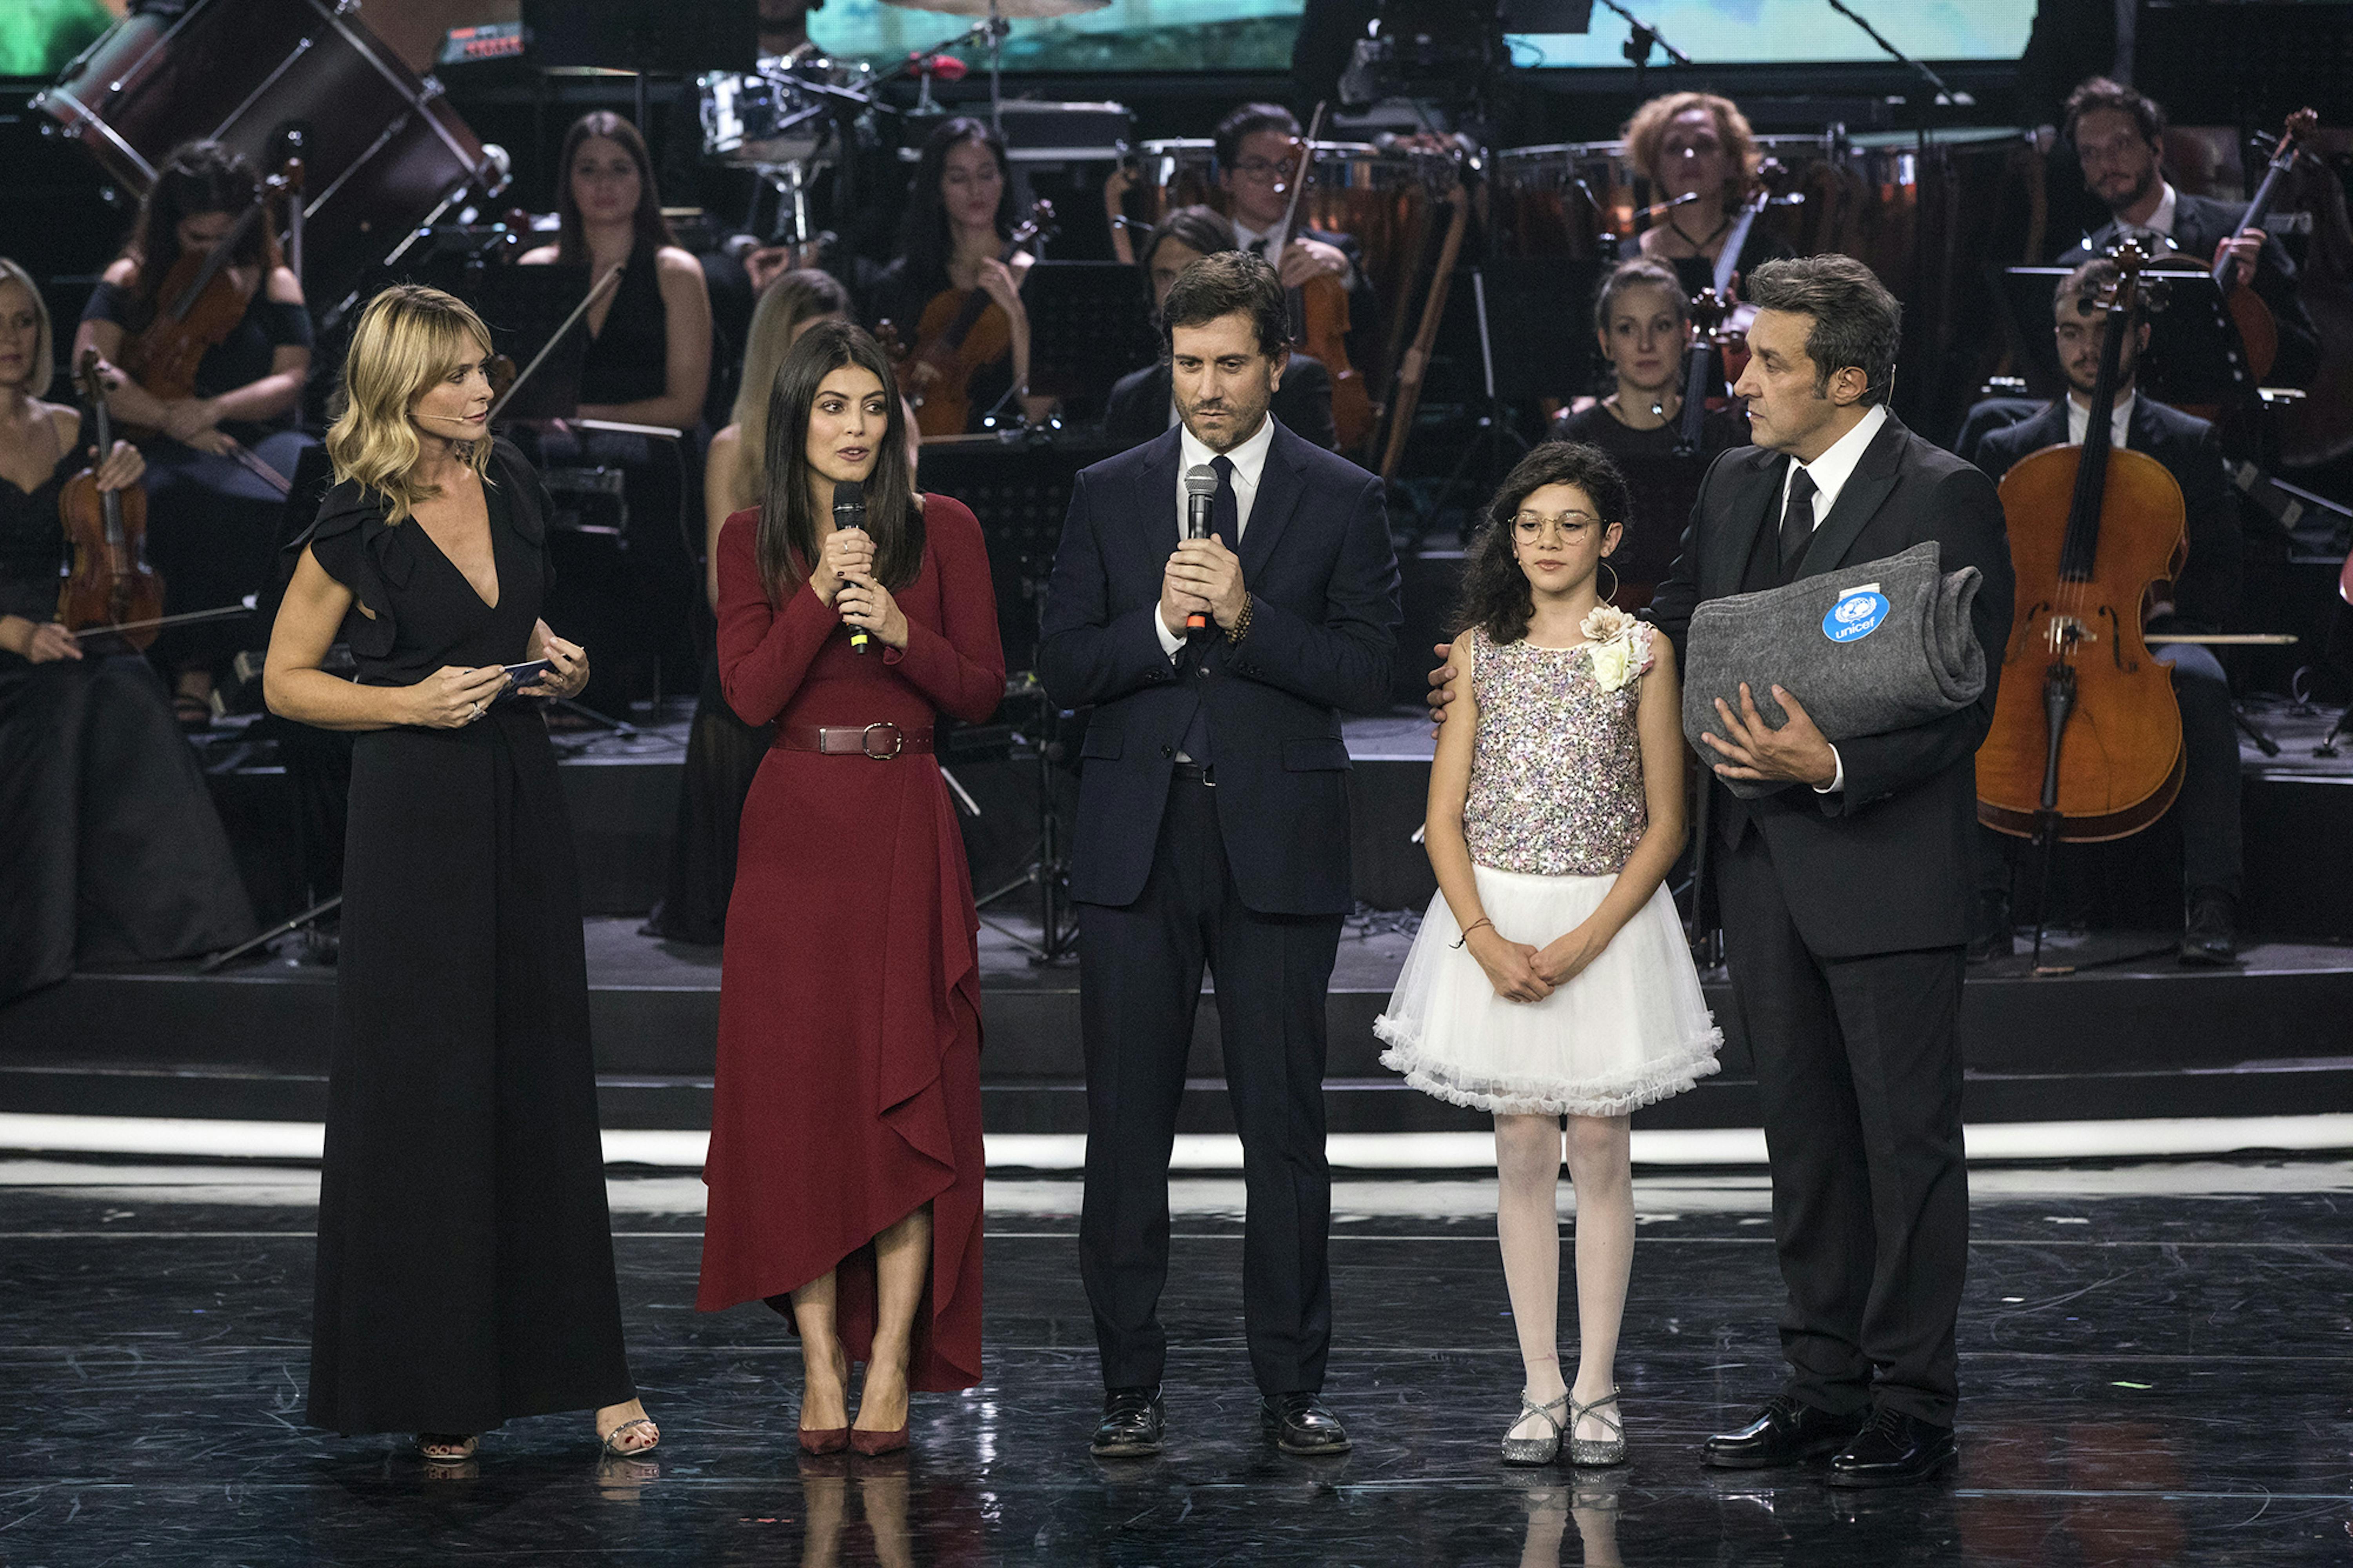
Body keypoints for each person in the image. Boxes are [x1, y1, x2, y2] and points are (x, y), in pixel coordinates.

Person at [1430, 255, 2014, 1486]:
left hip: (1887, 867)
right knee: (1802, 1141)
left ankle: (1908, 1399)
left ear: (1843, 379)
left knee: (1901, 1142)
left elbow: (1963, 698)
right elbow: (1671, 631)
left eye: (1770, 362)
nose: (1739, 380)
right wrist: (1517, 664)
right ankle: (1820, 1384)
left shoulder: (1945, 493)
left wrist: (1832, 762)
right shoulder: (1740, 478)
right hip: (1761, 872)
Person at [264, 284, 655, 1464]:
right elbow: (286, 680)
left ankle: (589, 1372)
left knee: (538, 1070)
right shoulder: (356, 517)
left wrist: (562, 666)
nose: (485, 389)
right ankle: (439, 1382)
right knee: (430, 1089)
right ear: (400, 387)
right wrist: (402, 702)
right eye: (458, 377)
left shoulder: (513, 483)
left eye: (485, 369)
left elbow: (526, 638)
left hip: (518, 796)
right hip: (412, 814)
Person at [1038, 251, 1400, 1459]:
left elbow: (1366, 673)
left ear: (1275, 365)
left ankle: (1290, 1387)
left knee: (1283, 1130)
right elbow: (1067, 668)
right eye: (1187, 364)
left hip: (1274, 848)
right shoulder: (1109, 489)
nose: (1205, 386)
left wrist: (1249, 623)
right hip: (1135, 846)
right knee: (1124, 1128)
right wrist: (1154, 624)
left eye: (1229, 364)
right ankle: (1126, 1388)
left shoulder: (1341, 496)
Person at [1376, 441, 1720, 1468]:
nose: (1548, 541)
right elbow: (1443, 819)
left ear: (1610, 537)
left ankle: (1600, 1382)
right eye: (1530, 523)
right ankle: (1539, 1383)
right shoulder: (1479, 652)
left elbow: (1666, 822)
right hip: (1496, 919)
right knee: (1523, 1142)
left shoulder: (1639, 649)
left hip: (1604, 919)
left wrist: (1584, 935)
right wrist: (1484, 937)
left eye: (1571, 523)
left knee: (1601, 1144)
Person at [695, 320, 1003, 1457]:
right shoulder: (750, 541)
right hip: (793, 840)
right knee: (802, 1114)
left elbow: (978, 691)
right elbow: (750, 691)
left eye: (874, 405)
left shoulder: (947, 530)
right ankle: (821, 1361)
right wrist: (825, 588)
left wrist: (904, 628)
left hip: (903, 826)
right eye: (834, 405)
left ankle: (889, 1369)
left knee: (905, 1101)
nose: (857, 427)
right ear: (796, 420)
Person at [1971, 256, 2244, 964]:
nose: (2087, 348)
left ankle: (2211, 902)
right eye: (2069, 332)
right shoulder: (2009, 448)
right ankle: (1982, 904)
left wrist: (2165, 609)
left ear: (2141, 337)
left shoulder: (2188, 445)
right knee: (1970, 689)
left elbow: (2223, 573)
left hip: (2142, 639)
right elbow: (1981, 575)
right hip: (2037, 633)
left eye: (2104, 331)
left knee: (2206, 686)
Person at [0, 256, 254, 1004]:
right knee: (66, 700)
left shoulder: (76, 424)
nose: (11, 339)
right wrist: (16, 633)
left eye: (23, 322)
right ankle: (38, 940)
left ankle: (180, 923)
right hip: (7, 638)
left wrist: (121, 475)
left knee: (129, 684)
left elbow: (101, 543)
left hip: (68, 624)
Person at [73, 140, 313, 727]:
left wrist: (213, 411)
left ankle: (284, 658)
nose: (210, 254)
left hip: (249, 433)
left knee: (304, 484)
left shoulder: (274, 281)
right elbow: (91, 365)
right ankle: (190, 664)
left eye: (224, 238)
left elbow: (292, 378)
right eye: (196, 240)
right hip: (153, 432)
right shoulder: (131, 278)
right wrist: (168, 415)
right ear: (168, 228)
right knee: (178, 495)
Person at [648, 269, 853, 944]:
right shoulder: (737, 449)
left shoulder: (879, 431)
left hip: (860, 631)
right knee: (738, 678)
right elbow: (721, 593)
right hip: (770, 639)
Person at [520, 111, 714, 714]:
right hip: (552, 458)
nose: (604, 184)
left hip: (651, 459)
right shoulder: (536, 271)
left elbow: (686, 405)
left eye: (619, 168)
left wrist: (582, 413)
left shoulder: (675, 272)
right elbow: (518, 394)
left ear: (643, 180)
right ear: (568, 182)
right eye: (588, 169)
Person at [2057, 77, 2318, 389]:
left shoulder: (2237, 230)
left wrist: (2245, 300)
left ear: (2156, 147)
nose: (2106, 163)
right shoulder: (2078, 266)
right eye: (2090, 153)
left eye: (2121, 145)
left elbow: (2305, 361)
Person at [1551, 258, 1749, 605]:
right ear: (1605, 342)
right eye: (1627, 328)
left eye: (1661, 326)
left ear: (1687, 333)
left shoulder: (1724, 441)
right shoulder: (1574, 442)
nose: (1645, 345)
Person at [866, 118, 1055, 436]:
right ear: (937, 188)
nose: (975, 190)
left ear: (1003, 181)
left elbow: (1037, 410)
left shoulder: (1037, 277)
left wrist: (1016, 313)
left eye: (986, 175)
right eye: (958, 178)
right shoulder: (904, 281)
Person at [1101, 206, 1338, 451]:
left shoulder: (1298, 382)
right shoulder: (1131, 397)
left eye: (1192, 273)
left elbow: (1318, 483)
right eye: (1164, 276)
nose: (1176, 291)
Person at [1212, 103, 1380, 354]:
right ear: (1226, 179)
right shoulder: (1205, 249)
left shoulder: (1336, 249)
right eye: (1259, 167)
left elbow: (1373, 331)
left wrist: (1346, 272)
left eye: (1286, 168)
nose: (1279, 182)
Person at [1622, 92, 1778, 277]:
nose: (1689, 156)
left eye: (1704, 145)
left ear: (1731, 162)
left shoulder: (1772, 257)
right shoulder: (1625, 259)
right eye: (1675, 148)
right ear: (1655, 167)